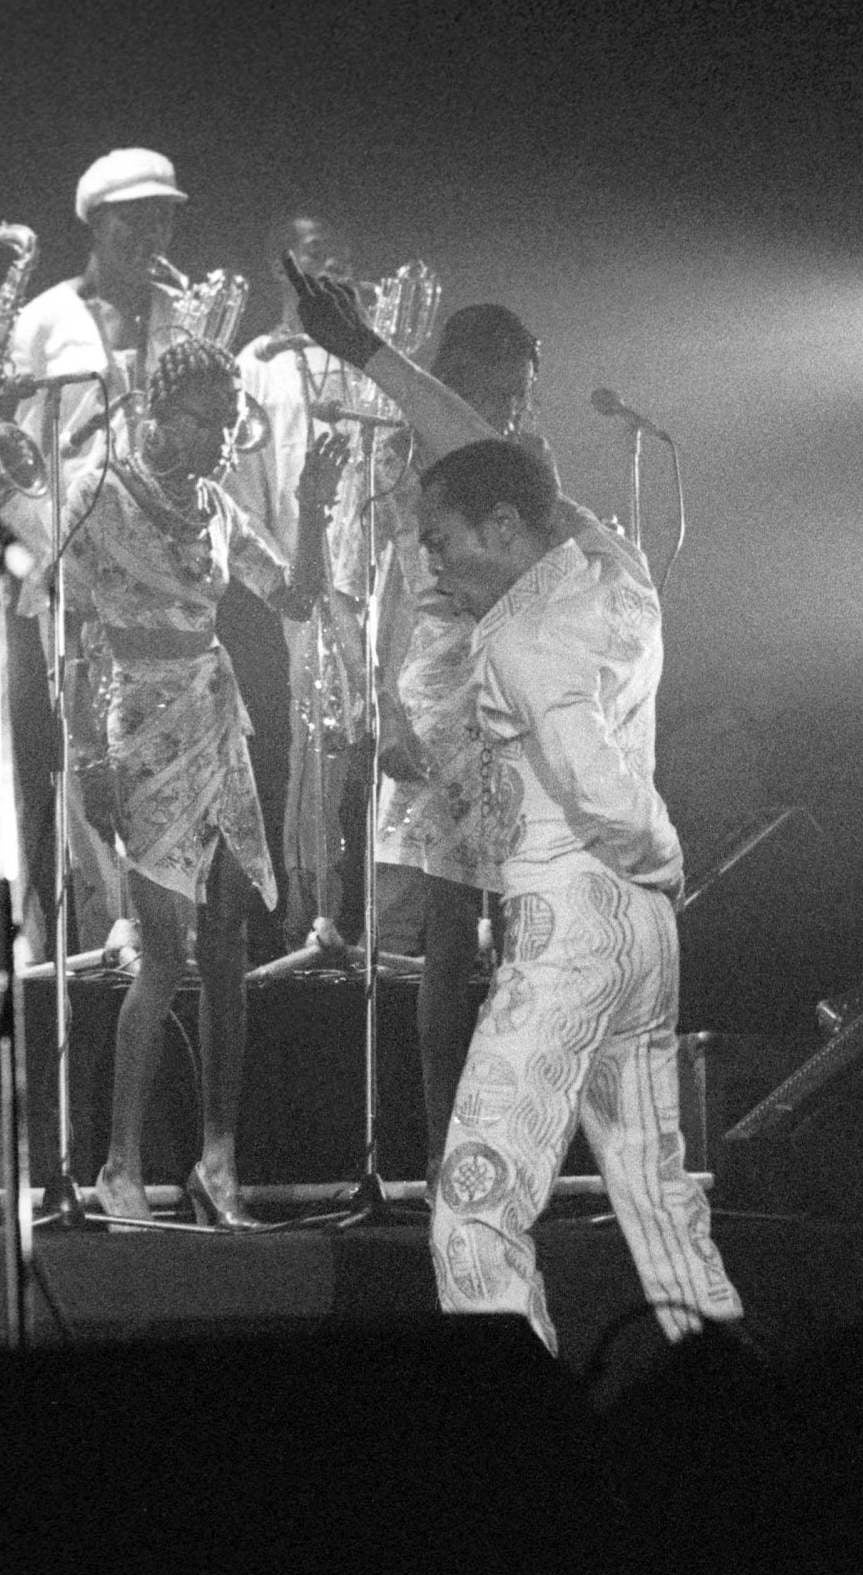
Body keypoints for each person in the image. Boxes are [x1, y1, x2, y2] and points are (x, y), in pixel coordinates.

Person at [288, 262, 742, 1350]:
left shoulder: (530, 636)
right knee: (654, 1185)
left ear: (497, 528)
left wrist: (651, 848)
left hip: (575, 919)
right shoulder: (611, 566)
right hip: (633, 926)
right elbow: (468, 498)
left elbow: (594, 783)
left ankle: (510, 1397)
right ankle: (718, 1359)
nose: (433, 564)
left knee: (478, 1210)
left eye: (447, 544)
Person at [43, 337, 334, 1229]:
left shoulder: (213, 504)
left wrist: (314, 509)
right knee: (164, 951)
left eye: (227, 421)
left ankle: (217, 1159)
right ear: (157, 415)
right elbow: (63, 638)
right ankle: (118, 1161)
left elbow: (291, 597)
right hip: (136, 720)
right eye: (203, 419)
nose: (218, 437)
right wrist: (86, 754)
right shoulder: (98, 496)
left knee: (228, 954)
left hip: (213, 719)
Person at [1, 148, 193, 951]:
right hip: (67, 563)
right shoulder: (43, 318)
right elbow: (9, 447)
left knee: (154, 741)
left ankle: (152, 926)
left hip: (161, 567)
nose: (150, 230)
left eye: (163, 215)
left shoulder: (181, 314)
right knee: (77, 746)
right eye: (133, 216)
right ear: (95, 221)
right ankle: (84, 929)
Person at [370, 304, 544, 1174]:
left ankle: (512, 1134)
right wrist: (383, 710)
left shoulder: (522, 463)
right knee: (448, 934)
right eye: (499, 388)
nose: (510, 407)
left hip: (517, 684)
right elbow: (381, 588)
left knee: (523, 927)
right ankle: (446, 1148)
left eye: (521, 394)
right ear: (459, 376)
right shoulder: (407, 459)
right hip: (444, 684)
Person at [228, 214, 374, 942]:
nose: (334, 265)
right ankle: (311, 913)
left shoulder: (368, 355)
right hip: (307, 584)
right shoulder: (257, 363)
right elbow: (240, 488)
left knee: (392, 737)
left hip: (381, 580)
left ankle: (394, 918)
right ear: (277, 266)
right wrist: (284, 579)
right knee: (318, 744)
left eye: (343, 253)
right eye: (317, 252)